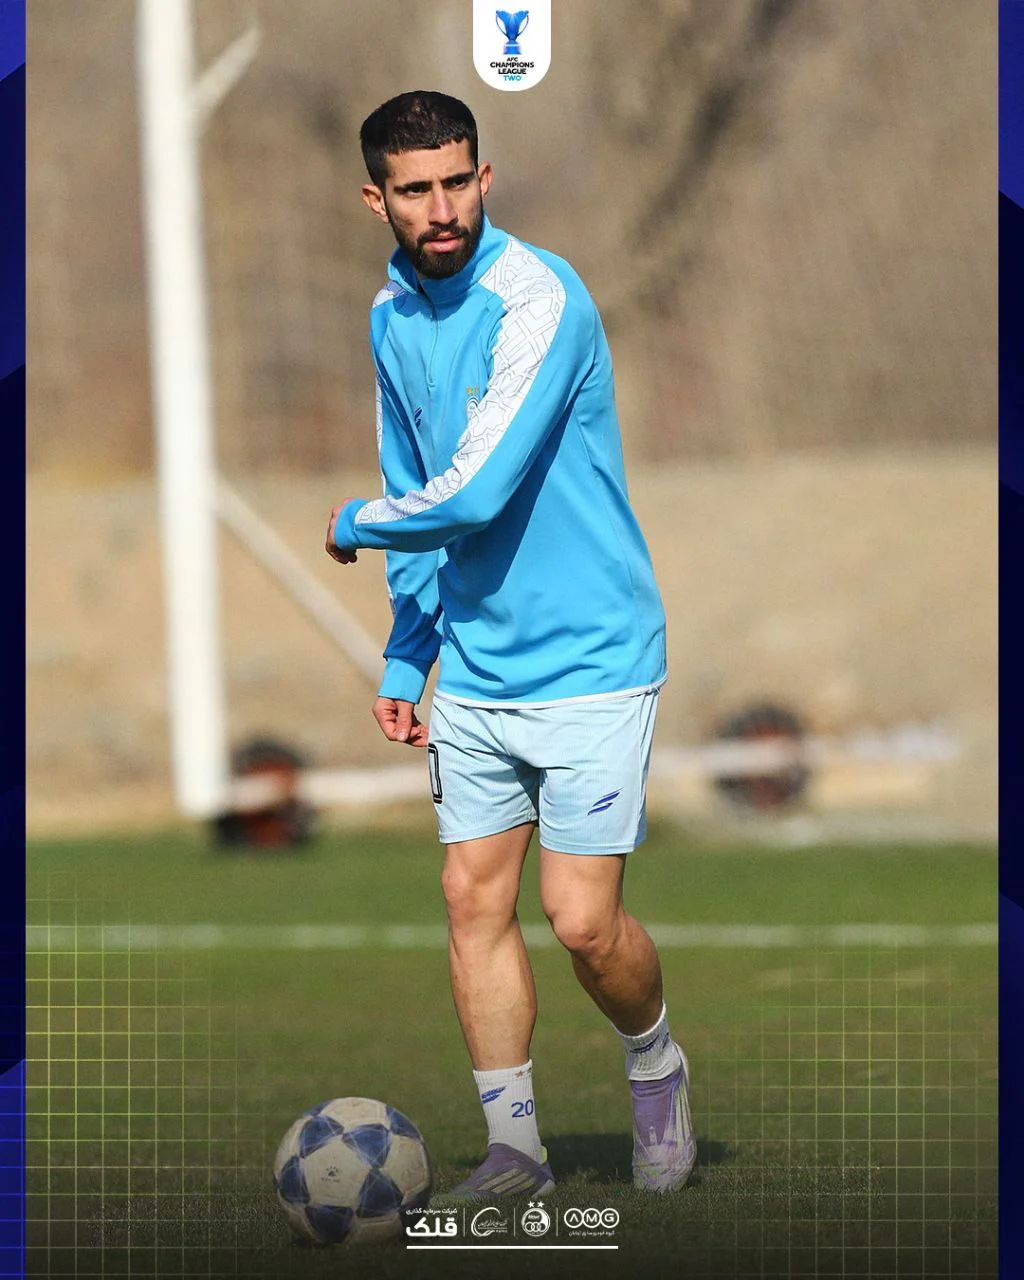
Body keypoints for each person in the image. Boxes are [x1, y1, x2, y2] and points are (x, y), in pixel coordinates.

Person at [326, 90, 695, 1198]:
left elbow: (471, 491)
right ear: (377, 199)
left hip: (590, 659)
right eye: (415, 189)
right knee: (469, 899)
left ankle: (655, 1062)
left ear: (484, 177)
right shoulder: (392, 313)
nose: (440, 208)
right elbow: (412, 478)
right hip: (479, 670)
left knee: (582, 923)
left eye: (457, 181)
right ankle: (516, 1151)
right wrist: (409, 650)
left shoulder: (540, 298)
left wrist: (353, 522)